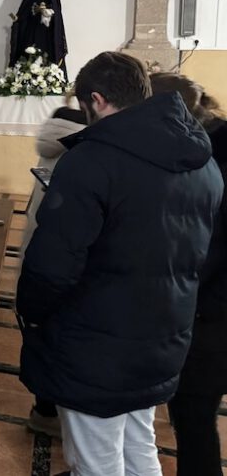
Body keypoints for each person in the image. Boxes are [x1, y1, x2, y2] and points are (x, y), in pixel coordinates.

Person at [17, 52, 222, 476]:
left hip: (97, 345)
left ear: (97, 99)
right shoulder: (201, 161)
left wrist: (32, 313)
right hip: (163, 335)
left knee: (96, 462)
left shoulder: (92, 160)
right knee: (138, 446)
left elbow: (53, 263)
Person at [150, 73, 227, 476]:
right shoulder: (206, 148)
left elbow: (205, 244)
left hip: (209, 314)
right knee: (193, 412)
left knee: (194, 413)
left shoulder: (207, 160)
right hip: (203, 309)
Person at [20, 98, 86, 439]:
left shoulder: (52, 139)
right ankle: (62, 414)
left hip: (37, 246)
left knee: (41, 331)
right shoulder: (87, 145)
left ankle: (43, 408)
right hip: (67, 255)